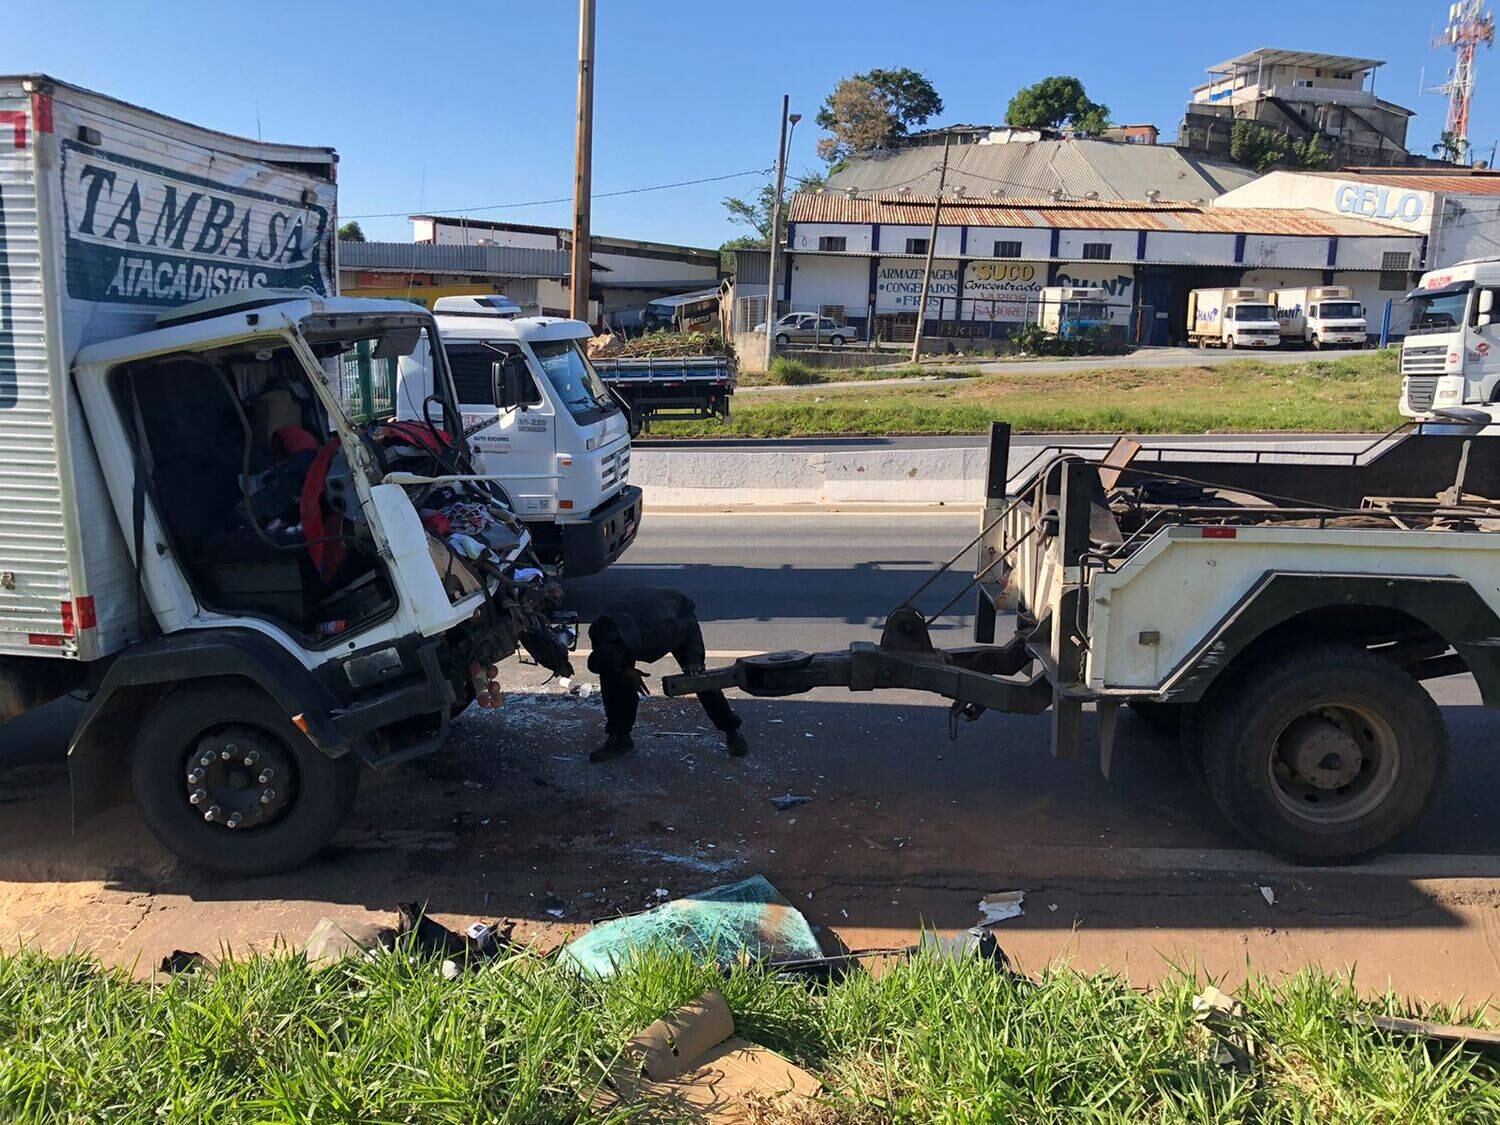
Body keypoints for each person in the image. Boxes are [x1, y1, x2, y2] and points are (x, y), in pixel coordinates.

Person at [586, 588, 748, 763]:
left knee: (698, 679)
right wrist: (624, 673)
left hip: (674, 617)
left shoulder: (661, 632)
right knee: (613, 681)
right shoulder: (599, 630)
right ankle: (620, 737)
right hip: (632, 620)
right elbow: (606, 663)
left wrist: (694, 660)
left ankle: (731, 728)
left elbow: (689, 626)